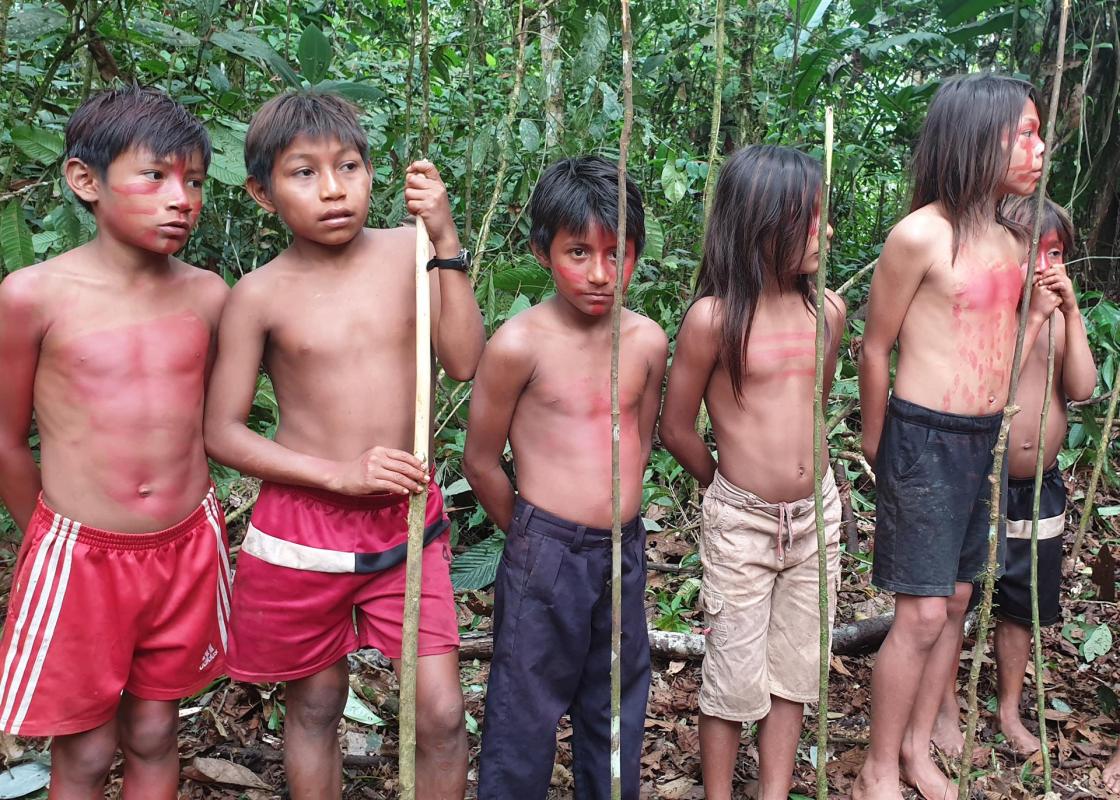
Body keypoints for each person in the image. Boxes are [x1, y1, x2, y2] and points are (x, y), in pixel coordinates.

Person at [203, 90, 484, 799]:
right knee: (317, 705)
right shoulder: (259, 295)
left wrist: (445, 238)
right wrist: (337, 474)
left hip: (405, 518)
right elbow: (223, 432)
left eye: (349, 166)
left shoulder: (409, 251)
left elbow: (464, 360)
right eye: (303, 173)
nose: (333, 189)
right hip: (304, 529)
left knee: (443, 712)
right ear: (261, 194)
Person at [0, 86, 230, 799]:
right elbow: (7, 438)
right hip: (81, 555)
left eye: (193, 180)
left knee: (158, 732)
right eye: (155, 176)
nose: (181, 198)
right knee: (88, 750)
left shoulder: (208, 295)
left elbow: (215, 421)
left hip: (187, 546)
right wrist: (45, 535)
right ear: (84, 180)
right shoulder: (34, 295)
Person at [853, 73, 1053, 800]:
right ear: (977, 137)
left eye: (1039, 132)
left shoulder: (1011, 238)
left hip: (983, 441)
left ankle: (915, 748)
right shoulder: (919, 234)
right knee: (923, 611)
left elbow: (1003, 347)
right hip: (924, 440)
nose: (1040, 147)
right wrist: (881, 446)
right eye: (1024, 133)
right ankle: (877, 768)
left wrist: (1040, 319)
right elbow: (875, 347)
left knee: (962, 598)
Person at [463, 156, 667, 799]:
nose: (601, 274)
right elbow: (480, 459)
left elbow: (641, 434)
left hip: (623, 550)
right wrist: (533, 534)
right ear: (542, 252)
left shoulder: (646, 340)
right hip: (544, 550)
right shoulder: (518, 344)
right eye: (579, 252)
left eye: (618, 253)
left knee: (615, 704)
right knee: (524, 708)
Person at [659, 145, 845, 800]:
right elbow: (675, 426)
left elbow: (813, 410)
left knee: (795, 669)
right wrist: (723, 486)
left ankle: (772, 792)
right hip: (742, 522)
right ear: (762, 224)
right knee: (733, 675)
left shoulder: (828, 313)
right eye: (810, 218)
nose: (826, 231)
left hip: (816, 517)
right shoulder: (713, 321)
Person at [932, 197, 1097, 757]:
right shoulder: (993, 314)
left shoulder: (1059, 319)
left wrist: (1070, 315)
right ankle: (945, 707)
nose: (1050, 266)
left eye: (1059, 255)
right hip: (983, 476)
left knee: (1020, 603)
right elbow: (990, 386)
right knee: (958, 595)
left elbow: (1081, 388)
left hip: (1038, 485)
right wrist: (1029, 320)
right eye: (1039, 253)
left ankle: (1007, 709)